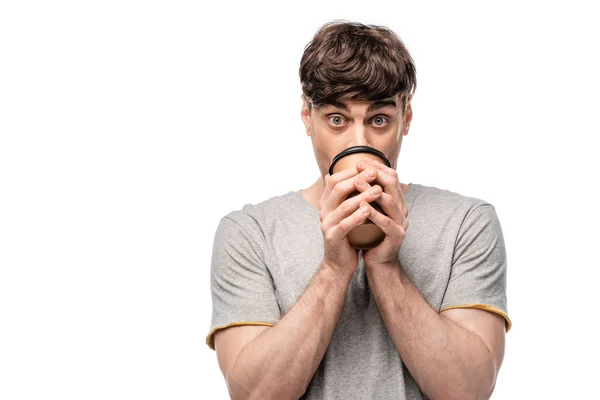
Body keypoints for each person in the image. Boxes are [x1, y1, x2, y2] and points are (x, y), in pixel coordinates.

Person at [206, 19, 511, 400]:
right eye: (337, 120)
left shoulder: (467, 222)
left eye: (379, 120)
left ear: (406, 120)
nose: (360, 143)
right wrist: (335, 268)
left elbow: (468, 391)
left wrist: (385, 267)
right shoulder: (249, 231)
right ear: (307, 119)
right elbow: (255, 395)